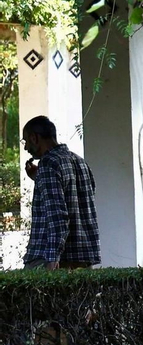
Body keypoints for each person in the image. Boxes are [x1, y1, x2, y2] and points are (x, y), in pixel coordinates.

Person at [21, 115, 100, 269]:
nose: (26, 148)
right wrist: (39, 178)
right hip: (82, 258)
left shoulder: (48, 164)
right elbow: (78, 203)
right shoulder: (80, 162)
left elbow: (58, 216)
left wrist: (52, 259)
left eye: (26, 141)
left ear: (34, 138)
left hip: (50, 258)